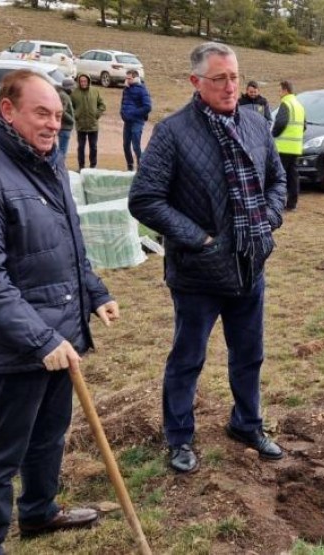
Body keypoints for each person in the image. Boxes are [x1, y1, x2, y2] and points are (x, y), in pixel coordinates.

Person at [0, 69, 121, 554]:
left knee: (49, 436)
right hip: (17, 346)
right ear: (8, 111)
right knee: (0, 454)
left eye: (58, 115)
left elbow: (67, 244)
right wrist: (40, 340)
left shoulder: (49, 162)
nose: (52, 124)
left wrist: (95, 291)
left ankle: (40, 512)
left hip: (62, 334)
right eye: (41, 112)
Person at [128, 42, 288, 474]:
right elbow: (144, 199)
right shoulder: (173, 132)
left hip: (249, 265)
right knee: (188, 358)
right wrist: (198, 239)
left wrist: (269, 218)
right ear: (196, 82)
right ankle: (179, 437)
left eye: (234, 76)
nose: (230, 85)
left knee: (249, 354)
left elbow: (278, 180)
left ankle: (247, 424)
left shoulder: (255, 124)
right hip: (197, 273)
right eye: (219, 78)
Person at [271, 80, 304, 210]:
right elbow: (304, 126)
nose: (279, 93)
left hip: (283, 147)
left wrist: (273, 134)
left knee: (280, 176)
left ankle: (277, 203)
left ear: (285, 90)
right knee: (293, 176)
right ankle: (292, 204)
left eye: (279, 90)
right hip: (295, 147)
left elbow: (280, 123)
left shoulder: (286, 103)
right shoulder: (299, 105)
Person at [70, 74, 105, 169]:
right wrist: (75, 115)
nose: (83, 83)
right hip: (80, 125)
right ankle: (81, 167)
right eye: (81, 81)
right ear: (78, 82)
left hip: (93, 125)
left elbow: (102, 105)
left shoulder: (95, 91)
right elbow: (70, 107)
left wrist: (97, 114)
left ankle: (93, 166)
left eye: (85, 81)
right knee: (81, 147)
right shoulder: (74, 93)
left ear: (88, 81)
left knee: (93, 147)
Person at [120, 69, 152, 171]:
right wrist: (122, 112)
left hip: (137, 122)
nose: (127, 80)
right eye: (126, 78)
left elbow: (147, 107)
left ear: (135, 78)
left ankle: (141, 167)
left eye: (129, 78)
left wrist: (133, 113)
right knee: (125, 145)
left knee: (136, 145)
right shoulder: (126, 89)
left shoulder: (142, 90)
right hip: (127, 122)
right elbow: (124, 102)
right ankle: (130, 166)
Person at [55, 77, 75, 166]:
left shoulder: (64, 95)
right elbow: (62, 111)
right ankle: (60, 168)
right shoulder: (64, 96)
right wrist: (71, 120)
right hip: (65, 127)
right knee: (62, 151)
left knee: (62, 150)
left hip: (65, 127)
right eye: (72, 87)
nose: (73, 89)